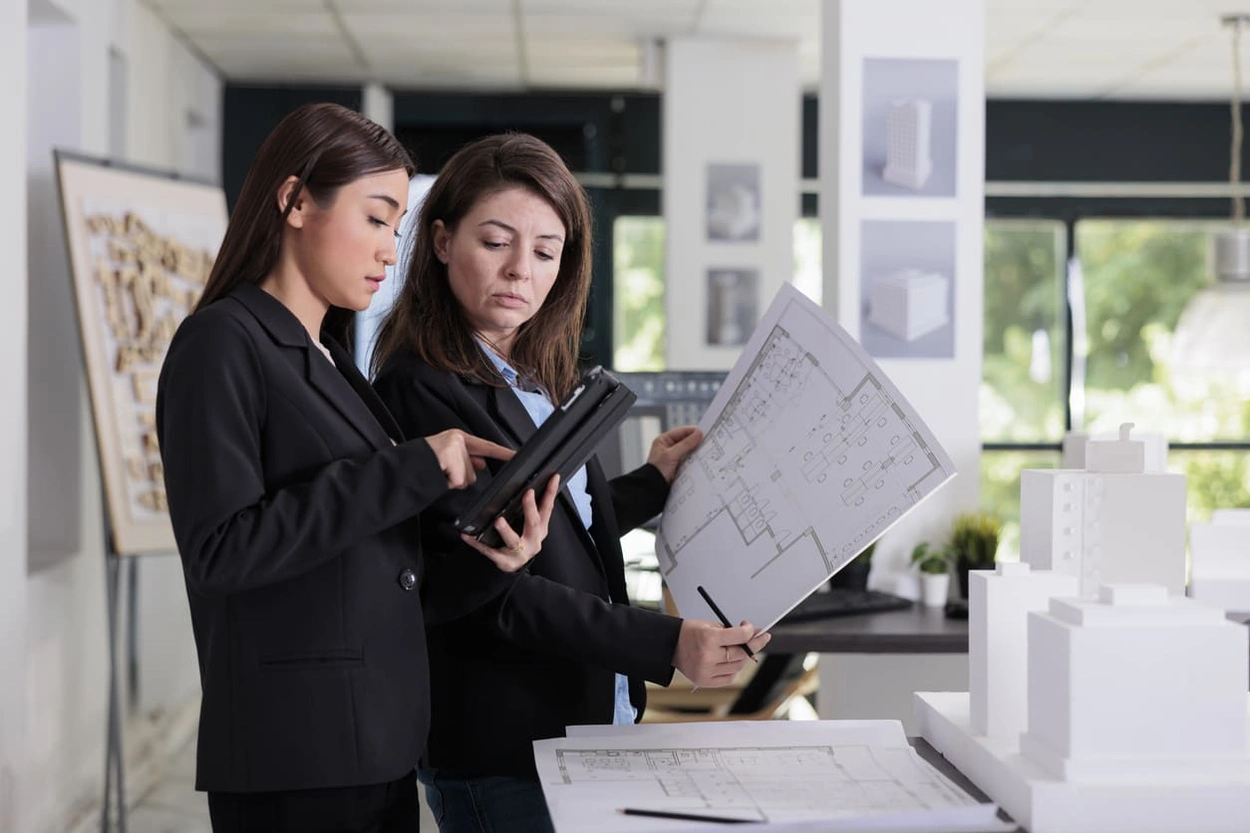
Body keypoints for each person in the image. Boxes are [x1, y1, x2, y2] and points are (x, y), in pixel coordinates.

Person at [156, 104, 560, 833]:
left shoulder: (336, 360)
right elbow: (221, 549)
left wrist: (499, 561)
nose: (388, 251)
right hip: (295, 751)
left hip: (373, 743)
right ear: (295, 200)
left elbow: (385, 573)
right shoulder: (221, 342)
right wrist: (413, 468)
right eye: (376, 219)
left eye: (397, 228)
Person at [370, 132, 771, 833]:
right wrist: (667, 643)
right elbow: (492, 585)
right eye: (496, 242)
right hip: (505, 739)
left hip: (582, 718)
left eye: (546, 252)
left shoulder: (529, 374)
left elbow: (549, 521)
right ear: (440, 241)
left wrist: (653, 480)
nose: (520, 270)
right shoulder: (420, 388)